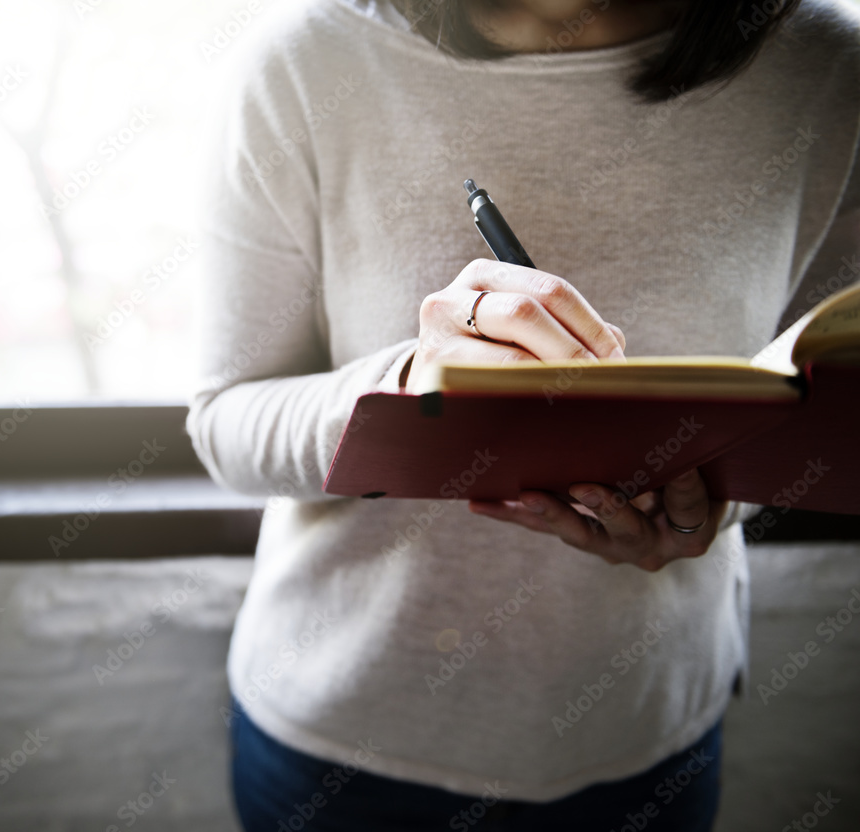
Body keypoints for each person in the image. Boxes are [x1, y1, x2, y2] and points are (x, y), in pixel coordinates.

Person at [186, 0, 860, 828]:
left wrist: (711, 511)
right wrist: (405, 385)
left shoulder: (829, 73)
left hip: (649, 731)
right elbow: (224, 423)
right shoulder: (306, 62)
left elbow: (815, 406)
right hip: (344, 746)